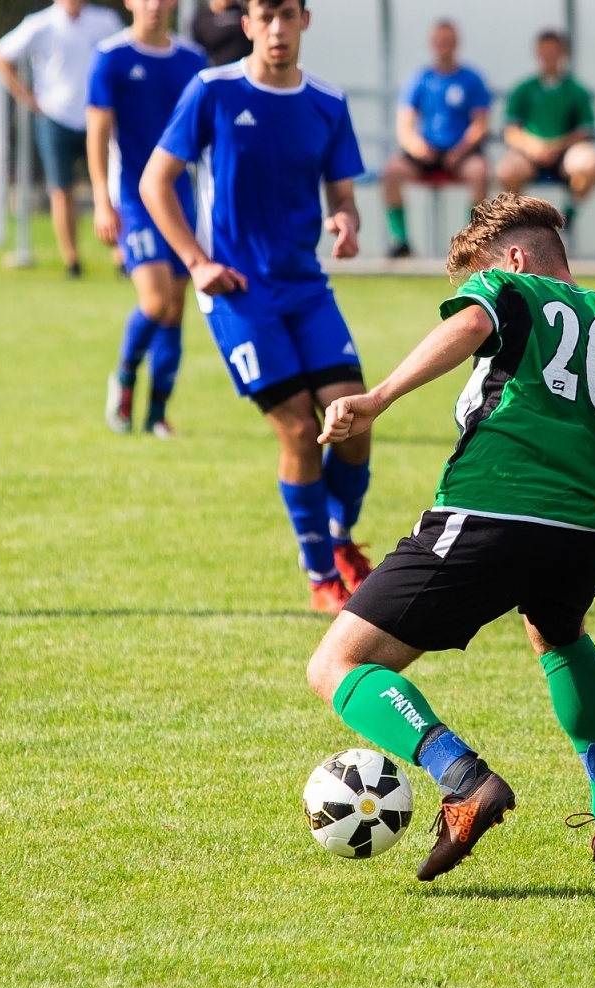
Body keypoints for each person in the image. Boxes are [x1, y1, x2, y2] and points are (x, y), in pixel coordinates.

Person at [306, 193, 595, 881]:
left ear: (515, 259)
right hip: (586, 532)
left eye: (477, 280)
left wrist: (377, 397)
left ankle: (460, 775)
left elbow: (468, 327)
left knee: (335, 664)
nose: (474, 296)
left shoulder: (507, 288)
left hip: (495, 506)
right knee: (557, 632)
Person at [141, 0, 374, 613]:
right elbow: (154, 181)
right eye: (265, 17)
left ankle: (342, 539)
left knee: (355, 419)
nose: (277, 29)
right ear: (247, 25)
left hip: (306, 287)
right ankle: (321, 575)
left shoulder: (327, 101)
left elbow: (343, 193)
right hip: (238, 295)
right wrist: (196, 262)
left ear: (305, 22)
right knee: (300, 428)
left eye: (287, 16)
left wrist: (346, 223)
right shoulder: (211, 91)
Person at [86, 0, 207, 438]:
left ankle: (157, 414)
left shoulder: (192, 60)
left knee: (175, 310)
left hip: (180, 198)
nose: (155, 5)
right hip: (135, 199)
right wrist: (102, 200)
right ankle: (123, 377)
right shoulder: (111, 56)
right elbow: (97, 131)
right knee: (155, 301)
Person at [0, 0, 124, 278]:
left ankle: (121, 257)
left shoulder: (106, 22)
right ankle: (72, 261)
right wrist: (25, 97)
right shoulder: (39, 24)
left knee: (111, 189)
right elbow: (0, 56)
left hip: (97, 117)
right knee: (61, 191)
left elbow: (125, 55)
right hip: (55, 118)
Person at [383, 21, 492, 258]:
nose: (444, 46)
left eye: (448, 41)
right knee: (391, 171)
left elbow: (480, 124)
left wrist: (460, 150)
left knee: (480, 172)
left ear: (456, 44)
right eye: (440, 41)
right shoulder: (419, 79)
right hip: (426, 152)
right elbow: (405, 125)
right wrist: (417, 147)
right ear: (433, 44)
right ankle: (399, 240)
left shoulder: (471, 80)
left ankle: (472, 242)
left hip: (460, 153)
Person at [497, 30, 595, 230]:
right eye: (544, 52)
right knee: (505, 171)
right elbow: (510, 131)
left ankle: (570, 211)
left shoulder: (576, 90)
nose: (548, 57)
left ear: (563, 54)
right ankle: (520, 219)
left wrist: (557, 146)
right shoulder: (524, 89)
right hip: (530, 155)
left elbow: (586, 129)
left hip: (564, 154)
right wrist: (532, 146)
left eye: (553, 52)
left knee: (589, 164)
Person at [192, 0, 250, 66]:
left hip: (242, 67)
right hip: (214, 69)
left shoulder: (243, 13)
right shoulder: (202, 18)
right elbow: (198, 49)